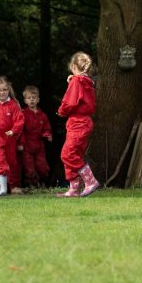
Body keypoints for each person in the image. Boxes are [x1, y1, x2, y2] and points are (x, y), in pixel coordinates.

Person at [56, 52, 100, 198]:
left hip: (77, 121)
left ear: (74, 66)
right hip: (85, 121)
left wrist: (61, 111)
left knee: (67, 154)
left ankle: (90, 181)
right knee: (75, 154)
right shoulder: (87, 81)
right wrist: (73, 80)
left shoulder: (77, 81)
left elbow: (70, 102)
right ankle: (74, 189)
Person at [19, 85, 53, 188]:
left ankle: (42, 182)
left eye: (34, 98)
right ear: (25, 100)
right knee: (29, 166)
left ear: (38, 99)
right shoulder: (23, 113)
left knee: (42, 166)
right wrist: (20, 143)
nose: (32, 100)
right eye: (29, 98)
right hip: (27, 145)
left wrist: (48, 135)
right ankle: (32, 184)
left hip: (39, 144)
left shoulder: (43, 115)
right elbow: (20, 130)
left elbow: (47, 128)